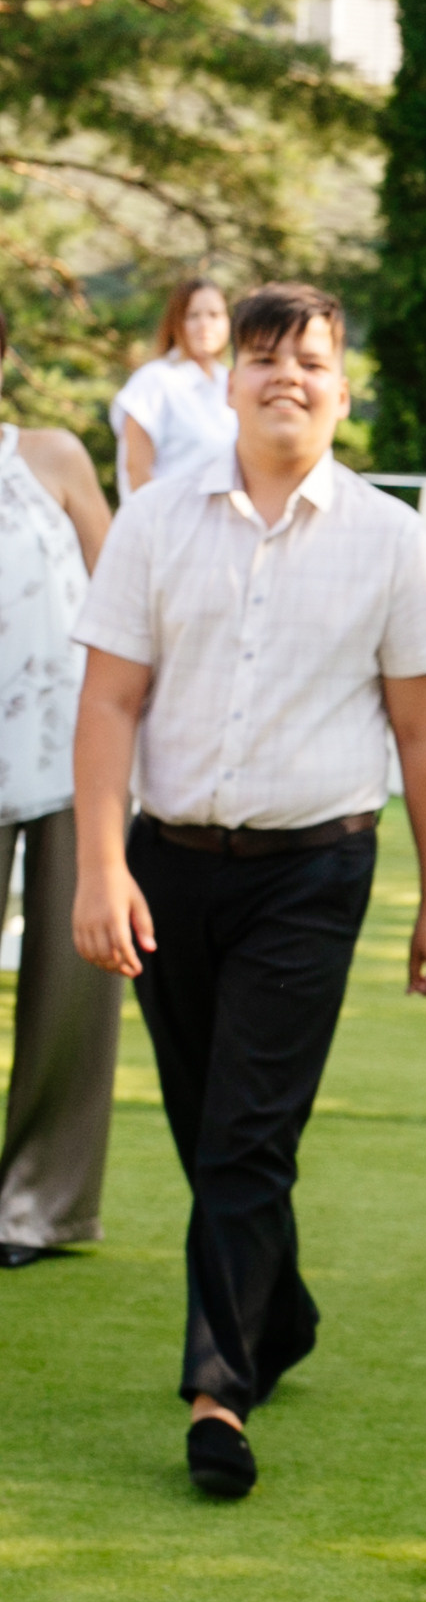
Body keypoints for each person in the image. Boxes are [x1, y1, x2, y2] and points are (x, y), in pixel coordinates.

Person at [70, 281, 426, 1500]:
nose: (285, 376)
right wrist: (100, 864)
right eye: (262, 357)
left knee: (247, 1132)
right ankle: (277, 1310)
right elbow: (110, 701)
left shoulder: (391, 538)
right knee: (210, 1128)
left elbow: (425, 733)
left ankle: (219, 1392)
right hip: (167, 866)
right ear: (228, 382)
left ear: (342, 389)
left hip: (313, 869)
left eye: (309, 359)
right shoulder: (153, 520)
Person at [0, 331, 120, 1266]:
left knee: (71, 988)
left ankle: (36, 1208)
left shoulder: (54, 456)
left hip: (71, 761)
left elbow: (124, 598)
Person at [111, 277, 234, 495]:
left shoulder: (231, 381)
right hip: (167, 514)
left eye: (214, 315)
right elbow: (137, 471)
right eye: (193, 316)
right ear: (176, 322)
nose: (205, 325)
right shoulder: (154, 380)